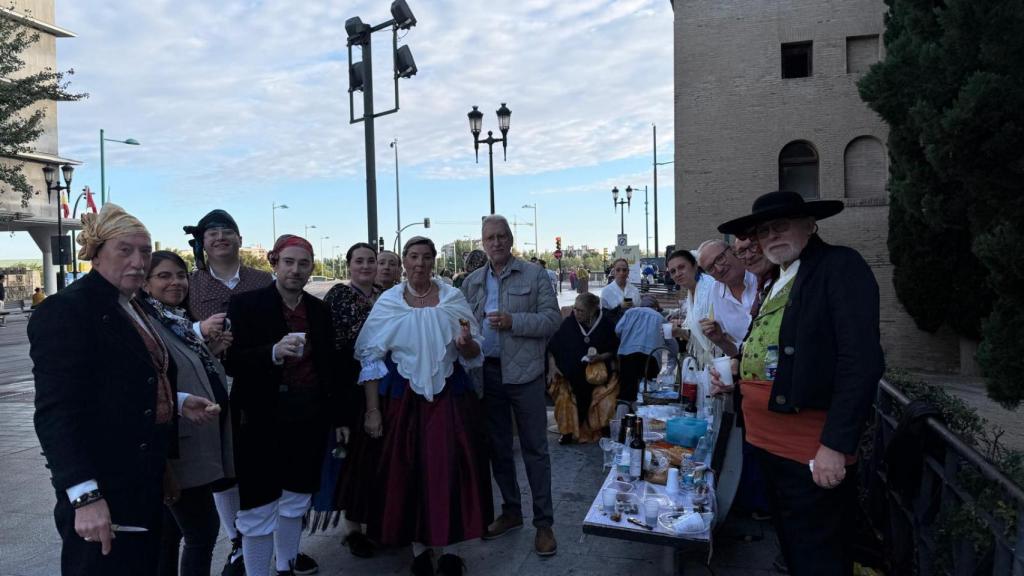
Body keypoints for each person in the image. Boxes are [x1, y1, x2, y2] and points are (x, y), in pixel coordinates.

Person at [29, 203, 217, 576]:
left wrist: (176, 402)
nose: (138, 261)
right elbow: (57, 413)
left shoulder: (132, 305)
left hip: (142, 481)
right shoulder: (67, 310)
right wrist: (85, 498)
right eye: (125, 250)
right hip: (105, 487)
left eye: (144, 251)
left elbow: (122, 381)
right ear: (97, 254)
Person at [711, 190, 885, 575]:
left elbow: (861, 360)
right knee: (793, 544)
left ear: (809, 225)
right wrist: (739, 371)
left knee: (817, 554)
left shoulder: (837, 266)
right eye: (764, 230)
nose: (771, 236)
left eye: (781, 226)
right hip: (769, 445)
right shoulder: (777, 278)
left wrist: (835, 446)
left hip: (808, 446)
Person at [355, 236, 492, 576]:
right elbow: (371, 357)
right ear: (404, 261)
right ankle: (418, 549)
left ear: (434, 261)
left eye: (426, 257)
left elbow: (474, 354)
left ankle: (448, 550)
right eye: (413, 256)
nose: (419, 263)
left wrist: (466, 344)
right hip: (403, 398)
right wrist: (372, 410)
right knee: (409, 470)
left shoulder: (452, 298)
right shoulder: (389, 301)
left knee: (451, 468)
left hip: (450, 394)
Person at [224, 235, 338, 576]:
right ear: (274, 264)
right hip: (261, 419)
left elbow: (329, 366)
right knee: (258, 507)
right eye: (288, 262)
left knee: (297, 498)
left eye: (303, 264)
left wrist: (337, 416)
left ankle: (286, 565)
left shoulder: (319, 310)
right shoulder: (246, 305)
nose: (296, 270)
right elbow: (230, 360)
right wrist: (272, 353)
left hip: (308, 416)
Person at [182, 209, 284, 576]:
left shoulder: (262, 280)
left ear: (241, 239)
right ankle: (238, 542)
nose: (221, 237)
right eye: (212, 233)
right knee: (222, 468)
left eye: (228, 231)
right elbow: (173, 327)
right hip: (209, 384)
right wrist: (199, 328)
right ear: (203, 243)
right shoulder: (190, 284)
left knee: (257, 462)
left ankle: (273, 545)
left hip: (259, 382)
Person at [460, 215, 560, 557]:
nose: (497, 242)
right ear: (483, 242)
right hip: (486, 374)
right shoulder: (472, 282)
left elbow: (552, 320)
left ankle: (544, 524)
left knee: (535, 450)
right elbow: (462, 323)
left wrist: (513, 321)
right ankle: (512, 511)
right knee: (498, 449)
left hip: (525, 375)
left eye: (502, 236)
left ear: (511, 239)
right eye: (490, 237)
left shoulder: (535, 275)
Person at [142, 251, 234, 576]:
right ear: (145, 282)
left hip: (196, 441)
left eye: (181, 275)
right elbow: (149, 381)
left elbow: (181, 370)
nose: (176, 282)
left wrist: (211, 353)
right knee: (203, 531)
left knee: (172, 531)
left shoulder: (175, 320)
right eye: (164, 276)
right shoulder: (149, 324)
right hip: (179, 448)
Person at [317, 243, 382, 558]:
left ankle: (377, 519)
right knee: (353, 459)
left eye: (371, 260)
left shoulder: (386, 295)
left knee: (378, 457)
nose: (366, 266)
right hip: (350, 388)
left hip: (384, 387)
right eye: (360, 261)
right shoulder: (338, 296)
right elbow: (334, 349)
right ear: (349, 266)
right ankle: (353, 528)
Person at [546, 292, 620, 444]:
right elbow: (552, 347)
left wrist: (599, 357)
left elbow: (613, 350)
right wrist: (553, 368)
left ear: (592, 311)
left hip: (597, 375)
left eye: (581, 311)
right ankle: (567, 432)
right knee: (564, 397)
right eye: (575, 309)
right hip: (570, 376)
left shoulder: (605, 324)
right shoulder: (569, 323)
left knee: (606, 396)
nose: (576, 313)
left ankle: (601, 428)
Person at [615, 294, 678, 411]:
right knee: (647, 393)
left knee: (626, 394)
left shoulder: (630, 312)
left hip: (627, 355)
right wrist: (672, 362)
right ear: (655, 307)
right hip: (650, 358)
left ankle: (622, 424)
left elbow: (618, 330)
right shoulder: (660, 318)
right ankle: (643, 420)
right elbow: (672, 344)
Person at [696, 239, 758, 357]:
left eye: (720, 259)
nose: (719, 269)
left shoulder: (758, 274)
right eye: (710, 268)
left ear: (733, 251)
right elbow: (738, 354)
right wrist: (720, 341)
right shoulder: (716, 292)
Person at [665, 249, 720, 368]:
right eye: (673, 271)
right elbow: (699, 337)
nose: (677, 274)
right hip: (710, 363)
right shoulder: (691, 294)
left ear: (695, 266)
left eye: (681, 267)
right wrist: (679, 332)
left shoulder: (712, 287)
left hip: (725, 358)